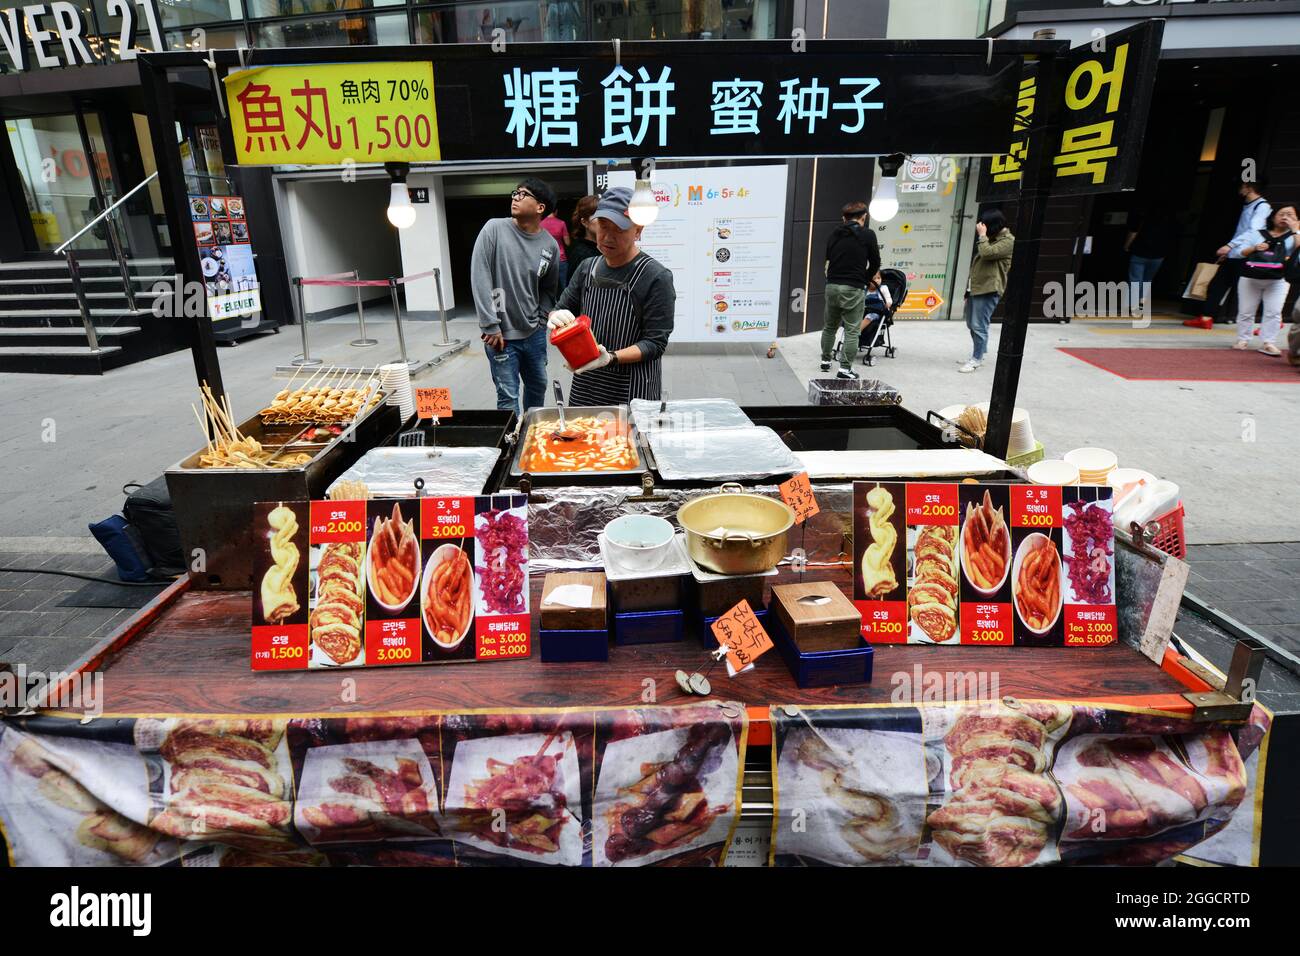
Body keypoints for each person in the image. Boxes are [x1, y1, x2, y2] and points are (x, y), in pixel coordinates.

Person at [546, 186, 675, 404]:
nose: (608, 237)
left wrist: (610, 358)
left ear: (638, 230)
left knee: (627, 438)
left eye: (619, 229)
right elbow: (562, 307)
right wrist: (555, 316)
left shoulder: (655, 276)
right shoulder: (587, 267)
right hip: (587, 382)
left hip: (633, 388)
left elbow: (655, 343)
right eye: (603, 226)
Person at [470, 176, 561, 414]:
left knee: (538, 388)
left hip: (535, 334)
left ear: (540, 208)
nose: (515, 198)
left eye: (523, 194)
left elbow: (548, 289)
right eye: (515, 193)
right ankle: (511, 446)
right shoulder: (494, 229)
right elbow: (480, 276)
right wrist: (490, 325)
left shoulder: (549, 245)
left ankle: (531, 440)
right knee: (508, 397)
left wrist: (542, 321)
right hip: (501, 335)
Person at [1193, 179, 1271, 327]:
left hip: (1246, 254)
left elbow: (1253, 231)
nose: (1240, 189)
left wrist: (1230, 246)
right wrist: (1230, 251)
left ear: (1249, 188)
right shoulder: (1249, 206)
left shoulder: (1262, 206)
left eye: (1243, 186)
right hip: (1236, 254)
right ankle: (1206, 318)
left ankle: (1271, 321)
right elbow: (1242, 231)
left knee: (1247, 289)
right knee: (1217, 285)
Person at [821, 200, 881, 380]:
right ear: (864, 217)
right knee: (852, 330)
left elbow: (828, 259)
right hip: (853, 287)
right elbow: (876, 262)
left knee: (829, 327)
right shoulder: (868, 235)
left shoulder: (834, 234)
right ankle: (845, 369)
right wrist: (865, 278)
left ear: (843, 218)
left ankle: (825, 361)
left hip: (832, 285)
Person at [1228, 202, 1297, 356]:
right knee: (1246, 311)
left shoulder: (1295, 235)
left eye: (1290, 215)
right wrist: (1255, 248)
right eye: (1281, 214)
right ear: (1273, 217)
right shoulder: (1256, 233)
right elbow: (1239, 252)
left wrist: (1295, 230)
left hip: (1278, 279)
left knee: (1274, 312)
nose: (1285, 217)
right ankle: (1243, 339)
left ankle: (1268, 342)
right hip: (1250, 276)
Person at [959, 208, 1014, 373]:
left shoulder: (1008, 241)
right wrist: (968, 291)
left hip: (989, 289)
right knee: (971, 324)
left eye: (984, 225)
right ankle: (978, 354)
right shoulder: (992, 238)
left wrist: (982, 236)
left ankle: (976, 359)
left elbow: (986, 253)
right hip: (976, 288)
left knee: (979, 325)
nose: (981, 228)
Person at [1125, 199, 1178, 314]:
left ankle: (1133, 305)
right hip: (1158, 254)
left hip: (1140, 251)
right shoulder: (1168, 220)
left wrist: (1127, 245)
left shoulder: (1142, 217)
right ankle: (1141, 303)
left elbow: (1133, 233)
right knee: (1147, 279)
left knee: (1135, 279)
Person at [567, 195, 600, 276]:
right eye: (597, 216)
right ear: (584, 222)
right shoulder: (581, 254)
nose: (603, 221)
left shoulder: (605, 248)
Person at [541, 208, 571, 288]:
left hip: (544, 258)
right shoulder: (562, 223)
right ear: (556, 211)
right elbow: (568, 243)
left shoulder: (540, 223)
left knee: (542, 286)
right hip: (560, 258)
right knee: (564, 286)